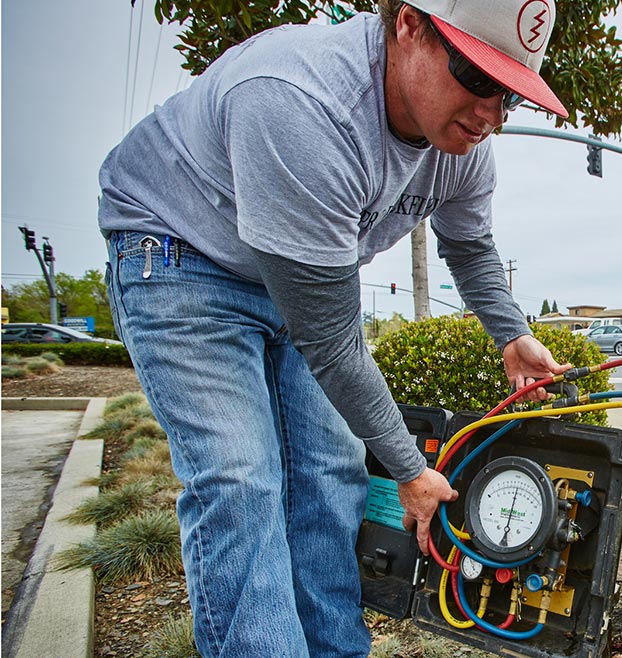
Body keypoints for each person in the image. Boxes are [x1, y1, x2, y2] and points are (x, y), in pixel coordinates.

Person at [97, 1, 571, 655]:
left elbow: (469, 247)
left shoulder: (464, 147)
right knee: (240, 479)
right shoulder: (300, 103)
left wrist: (511, 334)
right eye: (479, 78)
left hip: (298, 273)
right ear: (409, 24)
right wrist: (409, 468)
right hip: (182, 252)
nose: (492, 116)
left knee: (332, 469)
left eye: (511, 95)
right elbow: (331, 340)